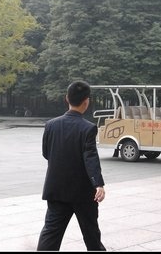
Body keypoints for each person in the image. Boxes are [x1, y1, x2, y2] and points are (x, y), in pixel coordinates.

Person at [37, 81, 106, 251]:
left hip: (57, 190)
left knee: (51, 234)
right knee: (91, 235)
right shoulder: (88, 128)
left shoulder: (51, 125)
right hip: (82, 193)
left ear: (67, 98)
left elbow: (47, 154)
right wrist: (98, 184)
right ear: (86, 101)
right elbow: (90, 157)